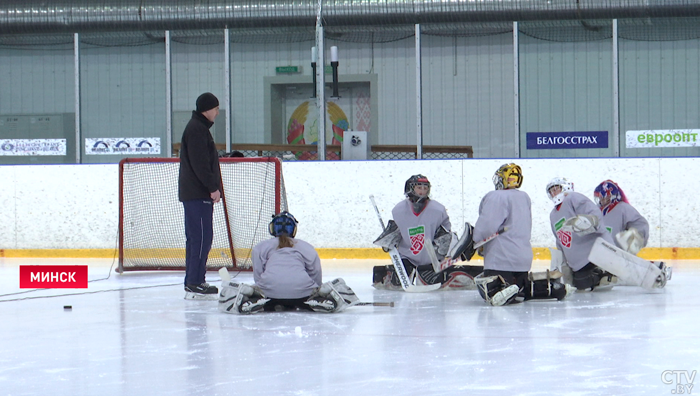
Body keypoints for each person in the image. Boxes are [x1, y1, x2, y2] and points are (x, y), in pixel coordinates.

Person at [470, 164, 573, 306]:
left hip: (500, 261)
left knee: (488, 289)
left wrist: (474, 241)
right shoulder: (524, 197)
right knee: (520, 287)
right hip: (523, 262)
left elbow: (486, 227)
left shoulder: (495, 197)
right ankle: (545, 288)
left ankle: (501, 290)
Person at [219, 212, 359, 314]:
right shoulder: (306, 246)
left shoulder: (261, 247)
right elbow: (315, 272)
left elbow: (259, 275)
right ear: (294, 230)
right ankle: (321, 301)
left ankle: (253, 301)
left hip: (270, 295)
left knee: (253, 290)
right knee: (321, 290)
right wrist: (314, 291)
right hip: (302, 296)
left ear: (272, 228)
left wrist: (266, 288)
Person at [372, 174, 481, 290]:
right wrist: (389, 240)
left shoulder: (438, 209)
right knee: (396, 284)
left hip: (431, 258)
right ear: (409, 188)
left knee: (429, 281)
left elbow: (447, 233)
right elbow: (397, 231)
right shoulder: (398, 210)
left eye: (425, 188)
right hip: (407, 257)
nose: (423, 191)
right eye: (419, 188)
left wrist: (444, 245)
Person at [179, 92, 222, 299]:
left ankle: (193, 280)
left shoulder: (199, 128)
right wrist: (212, 187)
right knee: (201, 238)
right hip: (198, 194)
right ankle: (196, 281)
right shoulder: (197, 130)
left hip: (195, 193)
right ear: (207, 109)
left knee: (197, 237)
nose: (217, 112)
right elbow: (200, 164)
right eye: (215, 108)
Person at [546, 177, 617, 292]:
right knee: (581, 284)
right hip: (579, 265)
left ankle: (607, 272)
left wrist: (588, 223)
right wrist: (562, 265)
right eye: (551, 191)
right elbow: (559, 240)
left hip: (597, 253)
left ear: (565, 187)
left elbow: (595, 215)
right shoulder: (553, 215)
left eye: (556, 189)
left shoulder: (573, 198)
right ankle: (601, 275)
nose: (554, 193)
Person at [593, 180, 672, 283]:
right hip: (601, 254)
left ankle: (658, 269)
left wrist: (636, 236)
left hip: (618, 254)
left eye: (604, 197)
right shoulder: (595, 210)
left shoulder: (623, 208)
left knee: (626, 272)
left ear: (612, 196)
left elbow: (640, 224)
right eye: (600, 197)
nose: (602, 200)